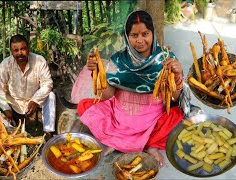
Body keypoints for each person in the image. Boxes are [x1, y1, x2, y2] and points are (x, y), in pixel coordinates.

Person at [77, 11, 184, 167]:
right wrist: (97, 74)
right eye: (134, 35)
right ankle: (131, 142)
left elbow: (174, 98)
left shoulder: (166, 59)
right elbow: (107, 96)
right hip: (121, 120)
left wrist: (177, 74)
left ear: (153, 33)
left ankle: (146, 144)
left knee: (178, 116)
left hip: (152, 122)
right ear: (127, 37)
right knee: (84, 106)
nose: (140, 40)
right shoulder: (117, 60)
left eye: (145, 34)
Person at [0, 34, 56, 135]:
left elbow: (47, 83)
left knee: (51, 96)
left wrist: (36, 100)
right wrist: (5, 108)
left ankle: (48, 131)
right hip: (13, 101)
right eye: (16, 50)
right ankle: (10, 129)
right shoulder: (6, 64)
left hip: (32, 99)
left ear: (28, 48)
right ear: (11, 51)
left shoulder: (39, 60)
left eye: (23, 49)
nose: (20, 53)